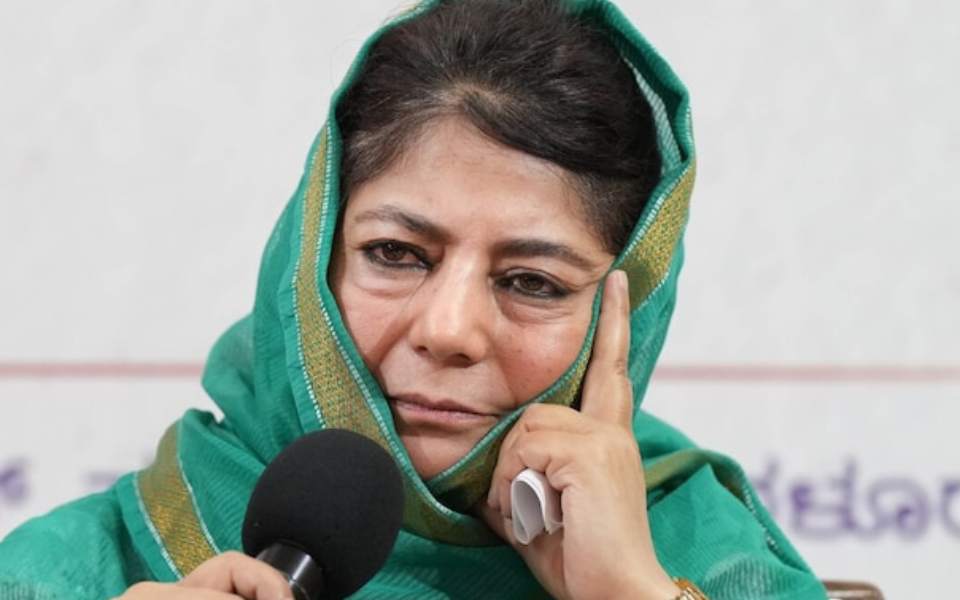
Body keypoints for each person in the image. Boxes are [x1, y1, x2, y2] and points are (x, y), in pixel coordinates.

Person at [0, 0, 828, 598]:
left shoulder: (706, 556)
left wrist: (632, 591)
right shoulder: (84, 568)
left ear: (625, 316)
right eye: (395, 254)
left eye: (532, 282)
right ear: (311, 259)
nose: (449, 330)